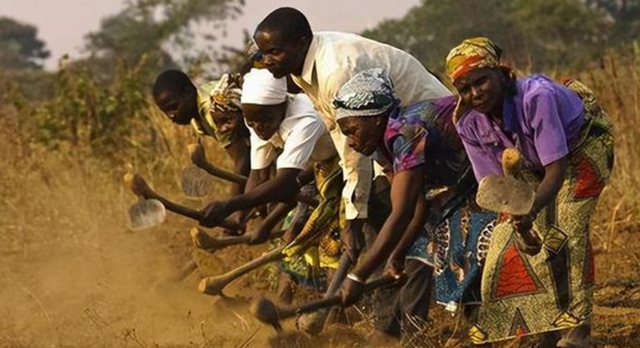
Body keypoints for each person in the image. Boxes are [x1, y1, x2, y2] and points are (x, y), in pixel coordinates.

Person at [446, 37, 614, 347]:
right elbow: (494, 185)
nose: (474, 93)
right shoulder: (469, 122)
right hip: (530, 164)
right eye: (465, 89)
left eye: (480, 81)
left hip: (580, 150)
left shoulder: (536, 97)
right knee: (504, 245)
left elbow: (557, 168)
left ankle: (579, 331)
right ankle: (542, 330)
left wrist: (532, 209)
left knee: (567, 232)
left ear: (500, 71)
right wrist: (519, 221)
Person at [252, 7, 452, 259]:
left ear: (301, 43)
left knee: (397, 219)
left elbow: (352, 145)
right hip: (392, 143)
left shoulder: (336, 70)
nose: (266, 60)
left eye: (274, 52)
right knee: (398, 221)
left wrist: (353, 217)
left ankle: (392, 278)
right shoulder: (301, 67)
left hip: (429, 132)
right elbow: (339, 130)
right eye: (263, 53)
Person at [333, 68, 497, 341]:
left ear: (375, 119)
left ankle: (493, 333)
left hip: (491, 165)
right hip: (458, 183)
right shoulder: (379, 146)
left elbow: (401, 212)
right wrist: (396, 254)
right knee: (438, 249)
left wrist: (357, 276)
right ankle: (472, 333)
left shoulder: (405, 133)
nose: (350, 141)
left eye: (352, 130)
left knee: (471, 253)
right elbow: (416, 204)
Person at [197, 68, 345, 298]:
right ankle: (288, 302)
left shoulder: (303, 120)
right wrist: (241, 216)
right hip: (317, 168)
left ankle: (334, 308)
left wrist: (231, 206)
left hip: (346, 165)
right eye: (251, 122)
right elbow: (258, 176)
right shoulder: (258, 120)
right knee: (294, 232)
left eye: (264, 121)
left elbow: (284, 183)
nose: (258, 128)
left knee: (328, 238)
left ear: (282, 107)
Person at [152, 70, 251, 201]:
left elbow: (243, 159)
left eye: (174, 107)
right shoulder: (198, 112)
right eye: (166, 112)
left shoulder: (212, 110)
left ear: (188, 92)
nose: (171, 116)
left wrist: (235, 205)